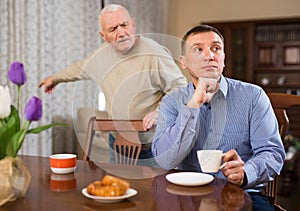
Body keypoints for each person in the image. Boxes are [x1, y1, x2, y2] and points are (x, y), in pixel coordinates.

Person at [152, 24, 285, 210]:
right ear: (184, 62)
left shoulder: (253, 96)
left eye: (216, 48)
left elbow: (272, 153)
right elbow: (165, 160)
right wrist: (192, 106)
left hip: (241, 195)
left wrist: (245, 173)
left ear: (223, 58)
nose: (209, 56)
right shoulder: (172, 102)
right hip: (185, 198)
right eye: (198, 49)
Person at [38, 4, 187, 165]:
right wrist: (55, 79)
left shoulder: (154, 53)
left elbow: (180, 86)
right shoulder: (101, 56)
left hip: (153, 145)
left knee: (152, 190)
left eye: (124, 25)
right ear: (103, 35)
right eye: (113, 29)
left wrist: (160, 112)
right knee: (118, 188)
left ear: (133, 24)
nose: (121, 33)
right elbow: (79, 68)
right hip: (116, 142)